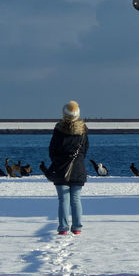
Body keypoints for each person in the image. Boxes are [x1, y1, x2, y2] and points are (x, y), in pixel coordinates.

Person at [44, 100, 89, 235]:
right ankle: (77, 227)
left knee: (63, 200)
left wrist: (58, 162)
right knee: (76, 199)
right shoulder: (83, 130)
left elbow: (52, 150)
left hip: (61, 169)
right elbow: (85, 150)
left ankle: (63, 228)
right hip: (78, 168)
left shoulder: (58, 130)